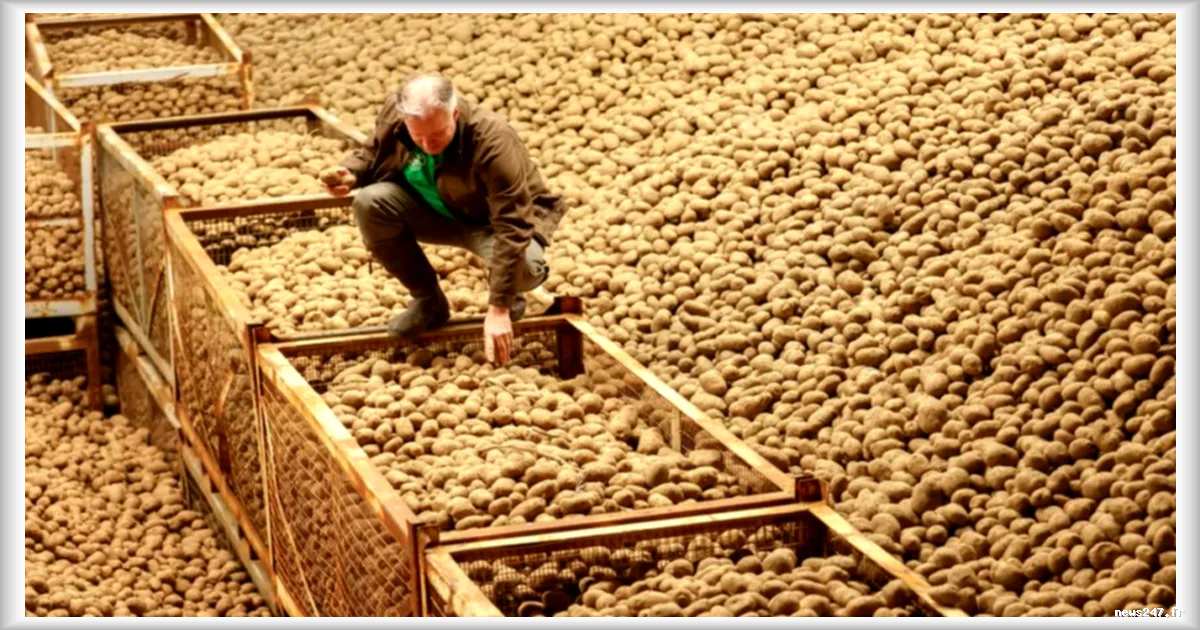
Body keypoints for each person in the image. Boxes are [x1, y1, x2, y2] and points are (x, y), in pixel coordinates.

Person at [321, 74, 564, 365]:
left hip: (488, 223)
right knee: (369, 203)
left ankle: (510, 294)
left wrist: (498, 308)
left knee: (524, 267)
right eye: (417, 137)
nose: (427, 144)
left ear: (456, 113)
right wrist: (350, 174)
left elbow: (512, 225)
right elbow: (372, 152)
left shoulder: (493, 140)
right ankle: (429, 302)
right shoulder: (396, 115)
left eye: (437, 135)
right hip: (433, 210)